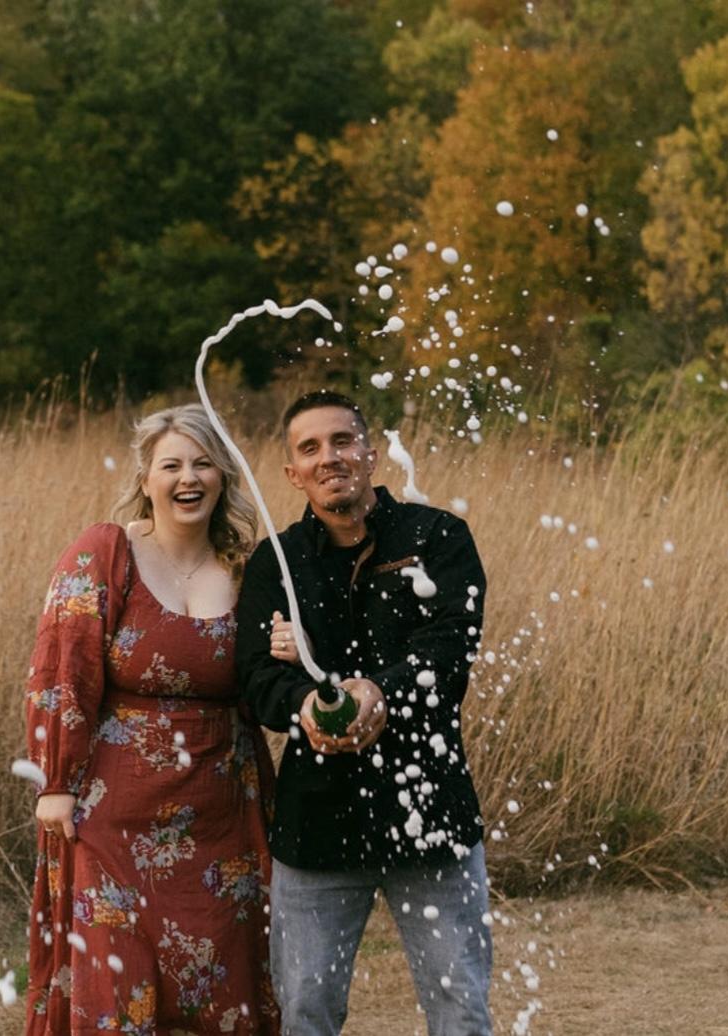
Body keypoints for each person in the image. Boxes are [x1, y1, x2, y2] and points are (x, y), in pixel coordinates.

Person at [235, 391, 492, 1036]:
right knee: (306, 1011)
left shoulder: (439, 538)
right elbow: (258, 679)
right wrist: (305, 706)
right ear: (293, 472)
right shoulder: (275, 562)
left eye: (343, 440)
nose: (329, 457)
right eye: (310, 448)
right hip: (316, 822)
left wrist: (379, 691)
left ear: (372, 454)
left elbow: (449, 652)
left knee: (460, 1004)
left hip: (430, 811)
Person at [24, 404, 279, 1036]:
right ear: (146, 479)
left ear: (223, 476)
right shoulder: (105, 553)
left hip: (223, 819)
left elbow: (265, 689)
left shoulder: (251, 570)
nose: (188, 478)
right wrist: (56, 782)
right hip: (113, 820)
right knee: (118, 993)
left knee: (222, 997)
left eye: (203, 463)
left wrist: (292, 654)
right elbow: (63, 668)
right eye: (171, 465)